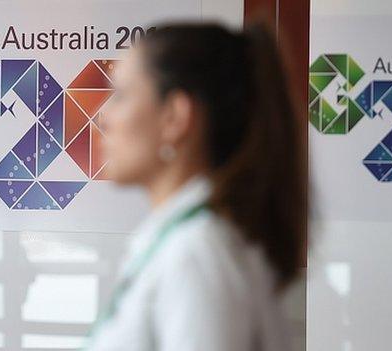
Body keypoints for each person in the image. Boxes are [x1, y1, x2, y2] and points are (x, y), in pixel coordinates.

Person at [82, 21, 306, 351]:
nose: (103, 116)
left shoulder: (195, 255)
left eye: (121, 95)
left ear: (175, 117)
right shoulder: (188, 243)